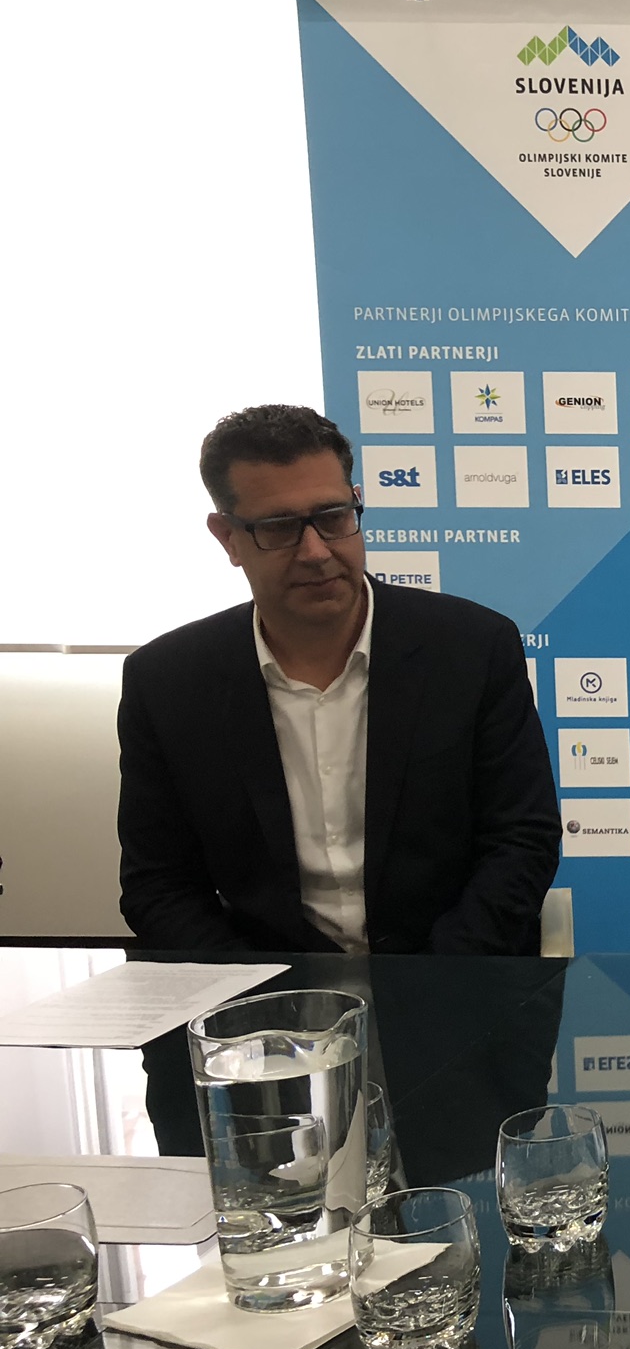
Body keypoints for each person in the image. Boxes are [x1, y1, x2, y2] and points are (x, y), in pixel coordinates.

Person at [117, 404, 560, 956]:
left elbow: (522, 840)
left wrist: (436, 983)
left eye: (333, 516)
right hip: (263, 985)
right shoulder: (167, 681)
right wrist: (258, 993)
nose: (316, 551)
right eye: (279, 527)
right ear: (227, 537)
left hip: (451, 973)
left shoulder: (473, 648)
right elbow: (157, 884)